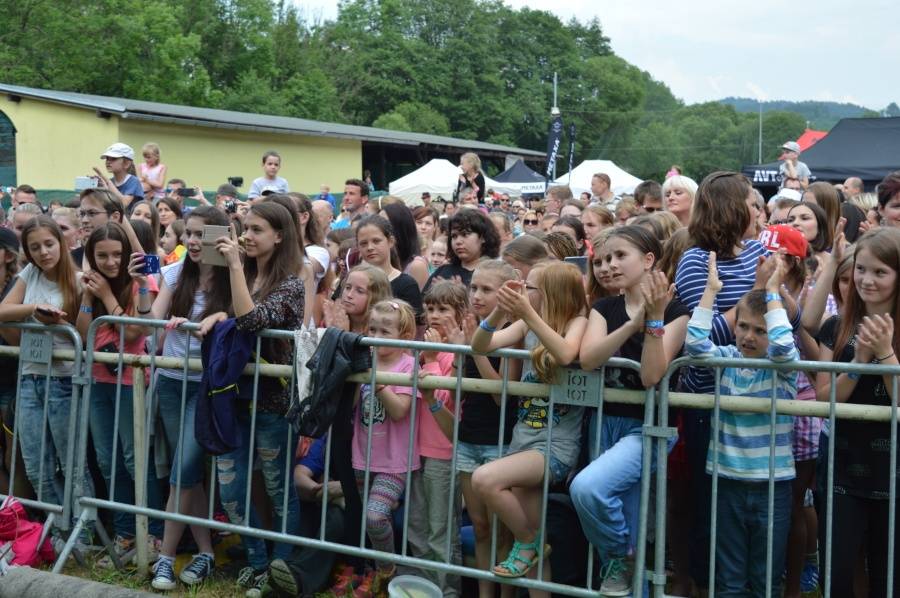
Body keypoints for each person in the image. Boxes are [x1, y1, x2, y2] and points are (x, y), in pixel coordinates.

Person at [673, 171, 781, 592]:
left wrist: (777, 290)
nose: (757, 209)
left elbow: (778, 322)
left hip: (758, 399)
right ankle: (705, 585)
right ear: (730, 208)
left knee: (750, 512)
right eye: (750, 202)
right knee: (709, 504)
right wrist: (754, 291)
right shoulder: (696, 259)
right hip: (709, 400)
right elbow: (705, 334)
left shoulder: (756, 249)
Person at [572, 226, 689, 596]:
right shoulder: (604, 307)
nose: (609, 265)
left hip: (649, 427)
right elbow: (589, 359)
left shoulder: (675, 307)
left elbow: (652, 374)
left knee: (588, 489)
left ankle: (618, 558)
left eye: (620, 256)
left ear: (648, 259)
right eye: (604, 259)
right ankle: (624, 568)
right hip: (604, 422)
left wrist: (652, 321)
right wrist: (632, 325)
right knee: (627, 516)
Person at [471, 261, 588, 592]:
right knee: (535, 564)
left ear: (550, 293)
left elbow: (565, 354)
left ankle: (529, 540)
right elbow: (480, 345)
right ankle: (533, 545)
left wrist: (527, 313)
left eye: (529, 287)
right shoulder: (525, 325)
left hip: (555, 446)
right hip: (523, 441)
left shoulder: (577, 321)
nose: (522, 291)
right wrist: (499, 313)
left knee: (485, 479)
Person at [686, 252, 798, 596]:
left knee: (766, 577)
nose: (749, 336)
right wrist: (710, 291)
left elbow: (782, 346)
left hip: (772, 485)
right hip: (727, 480)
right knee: (730, 577)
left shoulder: (783, 368)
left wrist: (773, 291)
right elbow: (694, 346)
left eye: (760, 330)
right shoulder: (728, 359)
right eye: (744, 327)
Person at [134, 206, 232, 591]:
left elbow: (242, 316)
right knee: (185, 473)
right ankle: (205, 551)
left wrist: (219, 317)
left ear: (220, 238)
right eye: (189, 233)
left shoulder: (231, 279)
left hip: (206, 385)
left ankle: (166, 558)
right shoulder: (174, 273)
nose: (193, 241)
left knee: (183, 471)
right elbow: (148, 324)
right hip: (171, 382)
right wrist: (146, 291)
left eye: (202, 235)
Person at [210, 202, 304, 594]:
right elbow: (231, 318)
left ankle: (282, 568)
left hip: (272, 403)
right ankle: (256, 560)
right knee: (231, 491)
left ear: (279, 236)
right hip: (233, 398)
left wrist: (233, 268)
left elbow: (251, 320)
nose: (246, 235)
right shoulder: (244, 272)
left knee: (278, 488)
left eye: (257, 229)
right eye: (245, 227)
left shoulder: (291, 284)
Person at [815, 227, 900, 596]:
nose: (867, 280)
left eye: (880, 272)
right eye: (862, 269)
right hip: (843, 468)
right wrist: (858, 361)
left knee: (889, 578)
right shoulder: (837, 326)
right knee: (837, 575)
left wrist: (884, 354)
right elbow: (823, 400)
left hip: (895, 473)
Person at [76, 221, 164, 561]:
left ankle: (153, 531)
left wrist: (107, 296)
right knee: (108, 460)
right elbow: (84, 332)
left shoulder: (137, 283)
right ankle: (126, 531)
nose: (111, 262)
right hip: (99, 379)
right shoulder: (94, 286)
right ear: (91, 257)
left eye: (116, 255)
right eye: (102, 256)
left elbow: (135, 331)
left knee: (134, 458)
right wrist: (88, 295)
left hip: (131, 382)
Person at [0, 217, 87, 531]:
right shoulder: (29, 273)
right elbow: (3, 309)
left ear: (62, 244)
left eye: (49, 244)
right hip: (29, 376)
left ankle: (83, 529)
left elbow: (84, 334)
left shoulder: (79, 280)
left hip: (64, 379)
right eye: (34, 247)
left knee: (72, 463)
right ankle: (60, 527)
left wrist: (57, 324)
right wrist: (33, 309)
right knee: (36, 465)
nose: (43, 252)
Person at [455, 261, 521, 598]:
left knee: (502, 531)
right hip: (468, 437)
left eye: (486, 289)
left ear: (507, 293)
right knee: (480, 527)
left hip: (499, 441)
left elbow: (501, 395)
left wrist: (475, 348)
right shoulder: (473, 326)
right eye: (474, 288)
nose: (477, 295)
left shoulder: (512, 331)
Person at [352, 299, 422, 594]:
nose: (376, 338)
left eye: (385, 332)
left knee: (376, 515)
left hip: (395, 460)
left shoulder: (409, 364)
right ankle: (376, 573)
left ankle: (387, 569)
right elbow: (351, 406)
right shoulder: (364, 360)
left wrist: (376, 381)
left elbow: (399, 410)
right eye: (373, 330)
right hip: (362, 454)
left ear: (405, 337)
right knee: (370, 520)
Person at [407, 281, 470, 597]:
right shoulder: (422, 348)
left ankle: (447, 591)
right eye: (430, 308)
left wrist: (432, 359)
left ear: (461, 315)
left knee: (440, 533)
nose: (434, 315)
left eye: (443, 309)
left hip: (443, 454)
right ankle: (424, 588)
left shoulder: (455, 354)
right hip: (416, 451)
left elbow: (444, 398)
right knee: (417, 528)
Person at [355, 215, 423, 324]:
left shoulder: (406, 285)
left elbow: (414, 327)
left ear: (390, 241)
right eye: (363, 243)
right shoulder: (351, 280)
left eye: (376, 241)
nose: (369, 247)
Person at [426, 209, 501, 290]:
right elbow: (422, 301)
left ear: (483, 237)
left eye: (465, 234)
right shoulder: (443, 271)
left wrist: (460, 294)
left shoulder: (495, 273)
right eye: (454, 236)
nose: (458, 241)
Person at [323, 264, 392, 334]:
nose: (349, 295)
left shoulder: (380, 332)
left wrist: (343, 335)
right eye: (348, 287)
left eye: (360, 291)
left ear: (376, 296)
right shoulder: (334, 322)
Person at [381, 203, 430, 290]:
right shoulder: (382, 260)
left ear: (399, 227)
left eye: (384, 224)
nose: (378, 227)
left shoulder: (416, 265)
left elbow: (417, 302)